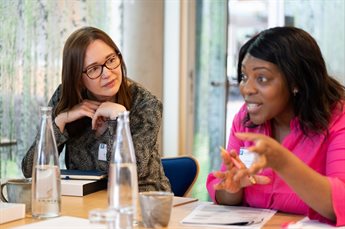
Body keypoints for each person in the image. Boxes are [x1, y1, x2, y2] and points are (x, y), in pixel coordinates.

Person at [206, 27, 345, 226]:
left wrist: (282, 162)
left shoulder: (338, 119)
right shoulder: (245, 120)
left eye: (262, 78)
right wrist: (232, 188)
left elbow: (341, 204)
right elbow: (223, 193)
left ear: (296, 81)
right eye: (244, 77)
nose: (246, 89)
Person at [22, 26, 171, 192]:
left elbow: (129, 172)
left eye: (111, 60)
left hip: (140, 202)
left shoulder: (145, 104)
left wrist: (118, 120)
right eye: (94, 69)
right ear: (78, 79)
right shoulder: (66, 98)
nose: (107, 73)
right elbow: (29, 169)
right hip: (83, 201)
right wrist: (60, 121)